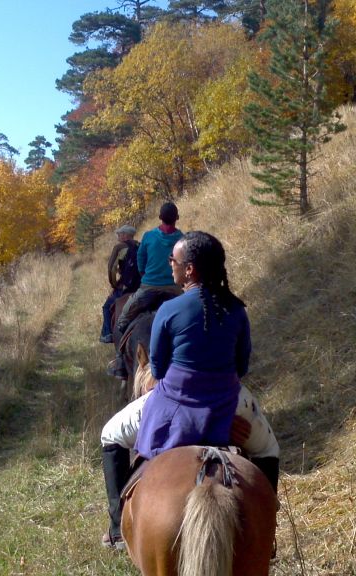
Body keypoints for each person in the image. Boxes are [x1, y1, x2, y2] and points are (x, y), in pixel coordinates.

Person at [99, 230, 280, 549]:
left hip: (174, 404)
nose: (171, 266)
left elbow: (156, 370)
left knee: (110, 435)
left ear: (190, 270)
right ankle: (269, 533)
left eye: (174, 261)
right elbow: (242, 367)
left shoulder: (169, 311)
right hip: (228, 402)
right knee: (268, 451)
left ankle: (116, 528)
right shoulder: (237, 310)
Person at [108, 202, 183, 378]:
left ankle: (120, 359)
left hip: (148, 288)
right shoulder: (182, 239)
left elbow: (141, 260)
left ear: (159, 217)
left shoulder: (149, 236)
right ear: (176, 218)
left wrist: (145, 274)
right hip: (174, 290)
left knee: (123, 319)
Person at [100, 225, 140, 344]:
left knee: (106, 307)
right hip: (141, 286)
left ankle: (107, 334)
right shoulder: (140, 245)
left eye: (120, 234)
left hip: (125, 287)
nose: (118, 236)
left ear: (126, 235)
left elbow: (111, 268)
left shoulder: (119, 247)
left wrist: (114, 284)